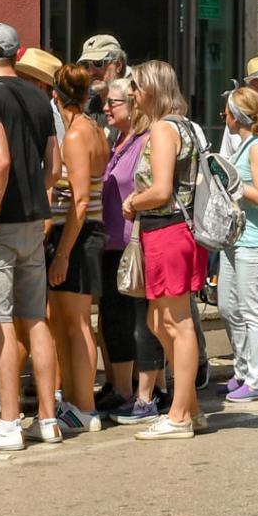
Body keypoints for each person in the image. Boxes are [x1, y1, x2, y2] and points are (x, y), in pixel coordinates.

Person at [0, 23, 64, 450]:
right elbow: (54, 166)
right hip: (31, 223)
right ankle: (48, 417)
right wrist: (38, 199)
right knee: (35, 320)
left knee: (0, 323)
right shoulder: (39, 98)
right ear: (17, 53)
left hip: (1, 224)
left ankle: (9, 421)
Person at [119, 60, 211, 438]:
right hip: (177, 232)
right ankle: (191, 408)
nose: (132, 94)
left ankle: (178, 416)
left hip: (168, 230)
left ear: (153, 90)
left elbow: (160, 189)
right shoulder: (187, 126)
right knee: (160, 321)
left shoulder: (162, 129)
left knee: (178, 323)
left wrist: (132, 203)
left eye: (137, 87)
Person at [42, 61, 106, 430]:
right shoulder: (94, 130)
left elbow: (81, 200)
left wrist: (63, 253)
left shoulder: (77, 135)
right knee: (67, 323)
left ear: (56, 95)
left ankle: (85, 406)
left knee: (76, 323)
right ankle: (77, 403)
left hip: (77, 235)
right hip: (81, 233)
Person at [97, 75, 160, 416]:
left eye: (114, 103)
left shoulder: (146, 140)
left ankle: (148, 391)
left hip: (134, 243)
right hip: (110, 243)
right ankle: (120, 387)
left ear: (134, 106)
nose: (106, 107)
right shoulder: (117, 139)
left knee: (139, 320)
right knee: (113, 319)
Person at [214, 87, 258, 404]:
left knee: (252, 311)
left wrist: (232, 183)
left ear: (237, 115)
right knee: (227, 306)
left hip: (254, 240)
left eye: (226, 112)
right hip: (234, 238)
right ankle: (242, 371)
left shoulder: (257, 147)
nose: (222, 117)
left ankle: (257, 381)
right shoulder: (241, 147)